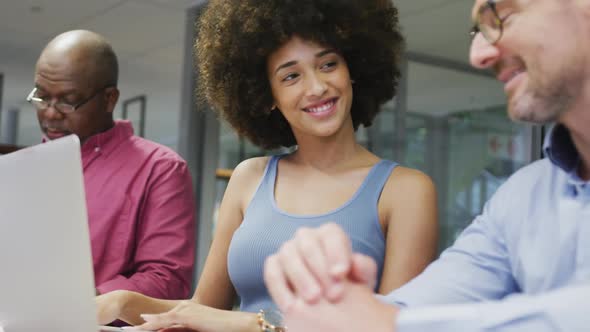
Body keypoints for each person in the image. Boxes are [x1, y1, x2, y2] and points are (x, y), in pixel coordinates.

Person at [97, 0, 438, 331]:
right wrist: (123, 303)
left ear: (353, 69)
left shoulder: (405, 190)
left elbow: (393, 326)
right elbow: (202, 312)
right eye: (291, 76)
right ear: (267, 96)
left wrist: (254, 325)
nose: (317, 87)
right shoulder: (250, 178)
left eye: (329, 64)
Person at [263, 0, 590, 331]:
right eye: (478, 30)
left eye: (502, 18)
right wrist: (334, 301)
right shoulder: (521, 200)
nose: (479, 54)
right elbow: (409, 308)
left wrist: (384, 323)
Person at [28, 30, 196, 303]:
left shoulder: (159, 169)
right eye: (42, 96)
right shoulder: (26, 169)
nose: (49, 112)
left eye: (68, 101)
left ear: (109, 99)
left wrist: (78, 303)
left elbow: (167, 280)